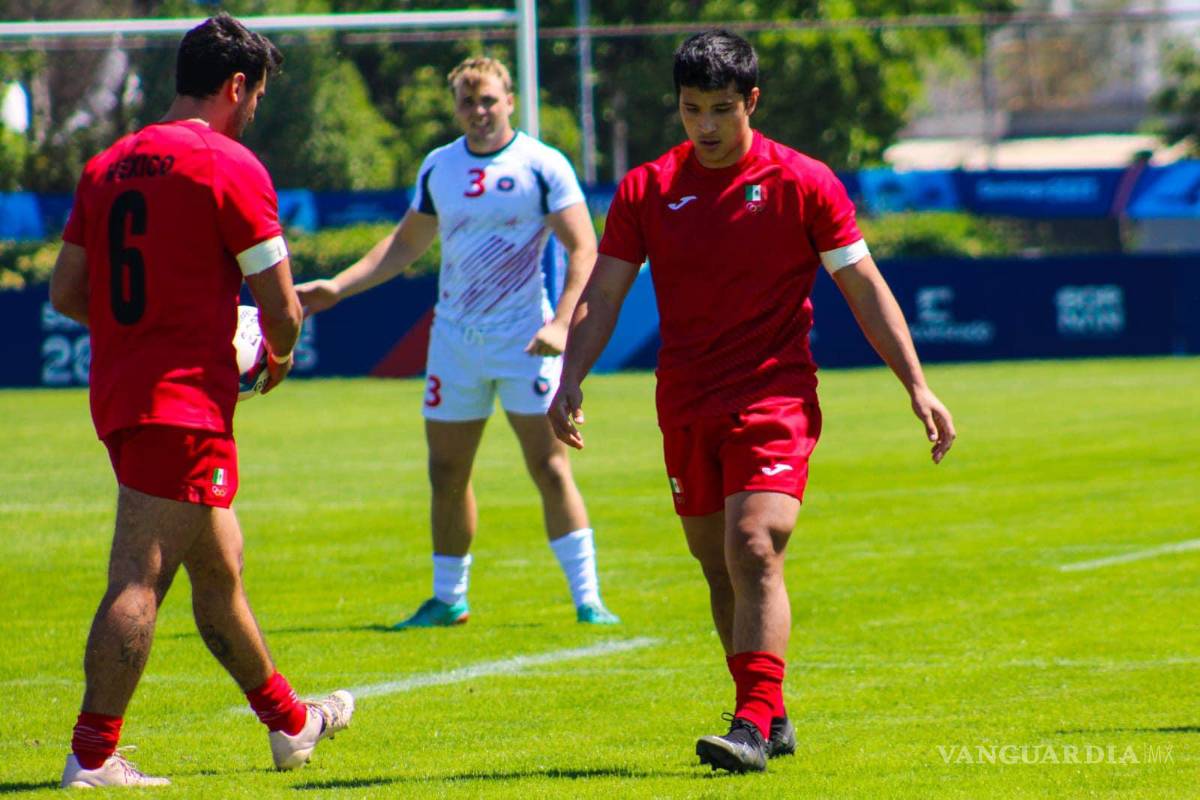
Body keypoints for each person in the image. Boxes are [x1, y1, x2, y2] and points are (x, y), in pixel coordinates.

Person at [548, 30, 956, 774]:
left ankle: (747, 725)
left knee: (754, 545)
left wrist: (916, 384)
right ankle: (769, 710)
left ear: (753, 103)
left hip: (775, 395)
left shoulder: (804, 182)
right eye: (691, 108)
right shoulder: (647, 188)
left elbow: (863, 287)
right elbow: (603, 293)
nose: (705, 126)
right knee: (717, 567)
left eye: (722, 110)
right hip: (685, 399)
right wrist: (571, 374)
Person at [49, 14, 353, 788]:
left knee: (218, 574)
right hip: (184, 405)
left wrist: (146, 333)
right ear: (237, 85)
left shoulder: (106, 165)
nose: (252, 113)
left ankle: (291, 724)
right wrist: (272, 351)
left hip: (124, 395)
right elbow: (281, 308)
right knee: (138, 578)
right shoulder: (228, 164)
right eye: (253, 97)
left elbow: (68, 292)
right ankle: (90, 758)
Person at [296, 57, 618, 628]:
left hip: (527, 341)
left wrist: (562, 324)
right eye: (468, 103)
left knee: (549, 467)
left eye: (489, 100)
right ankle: (449, 599)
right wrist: (338, 288)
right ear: (456, 108)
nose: (479, 112)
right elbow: (402, 246)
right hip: (455, 343)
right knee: (446, 472)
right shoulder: (439, 168)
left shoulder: (542, 165)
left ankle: (588, 598)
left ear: (510, 101)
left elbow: (584, 249)